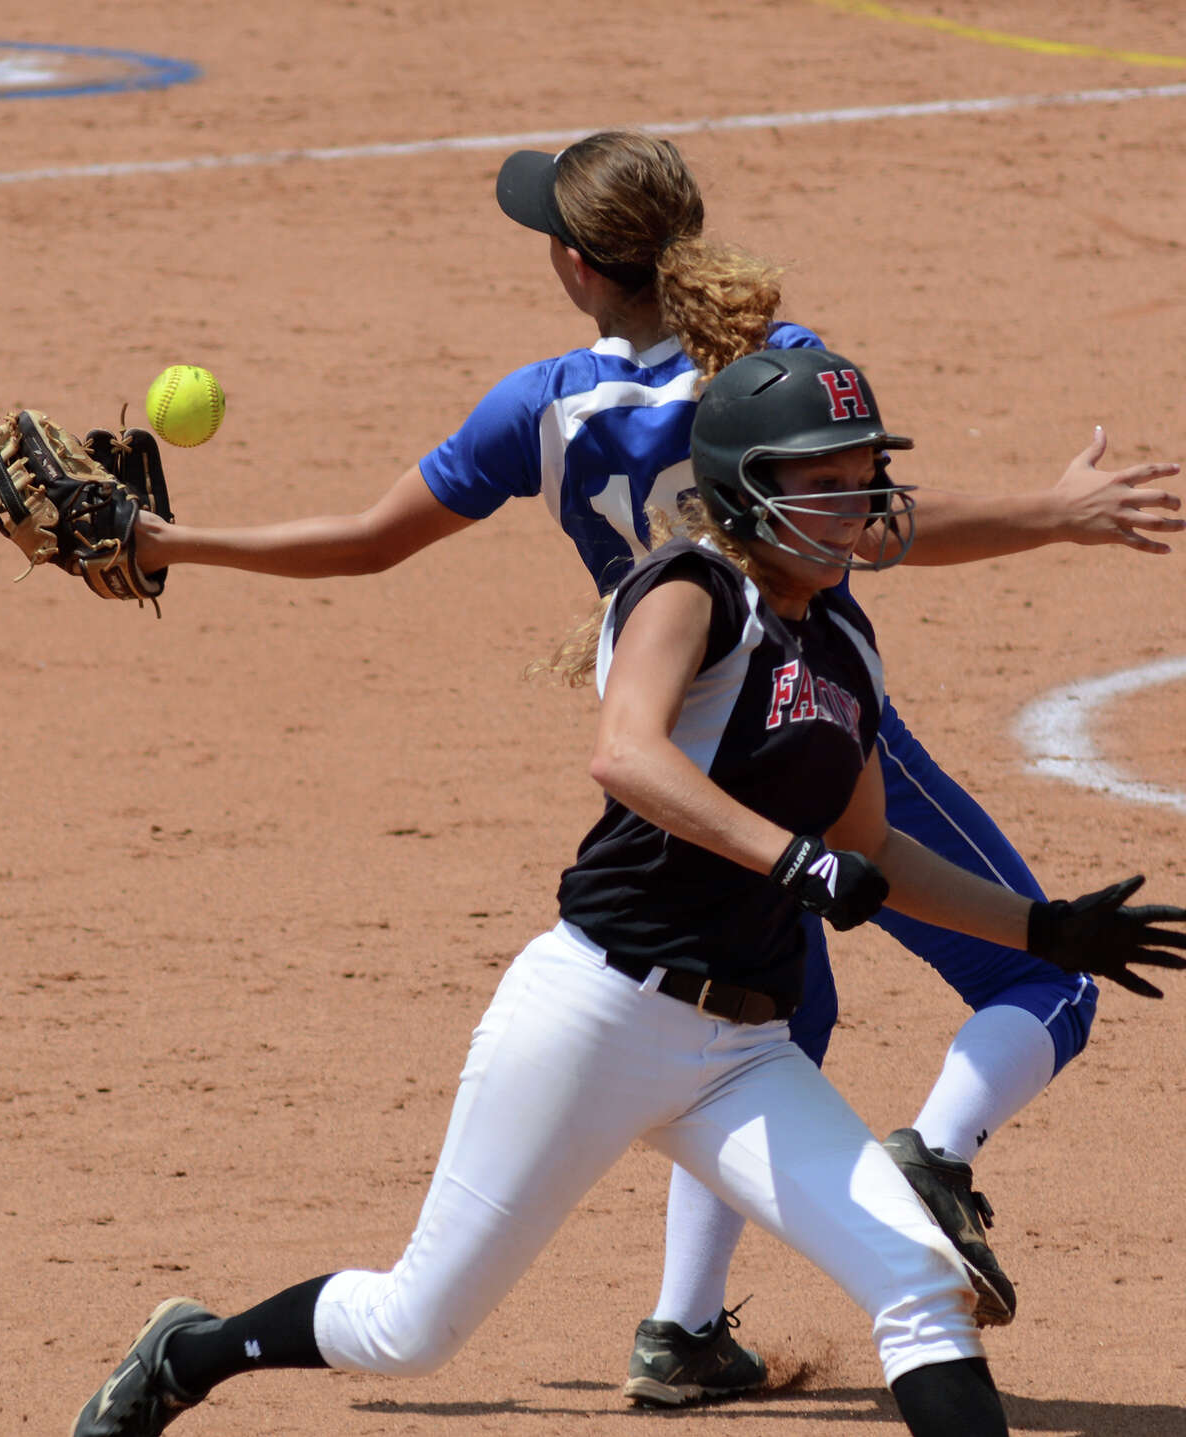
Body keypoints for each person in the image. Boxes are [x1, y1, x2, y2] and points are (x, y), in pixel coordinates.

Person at [124, 131, 1183, 1403]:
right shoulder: (766, 404)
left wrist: (167, 542)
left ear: (576, 266)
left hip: (720, 800)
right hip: (706, 818)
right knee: (422, 1317)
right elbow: (810, 581)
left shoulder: (555, 410)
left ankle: (688, 1327)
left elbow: (364, 542)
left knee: (812, 1060)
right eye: (834, 484)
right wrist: (1051, 514)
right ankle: (893, 1182)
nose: (858, 504)